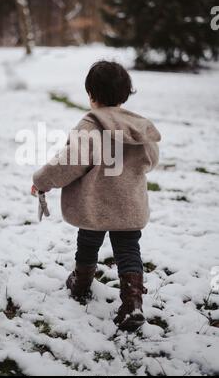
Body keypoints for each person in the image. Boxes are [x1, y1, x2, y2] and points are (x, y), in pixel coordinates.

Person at [31, 60, 161, 332]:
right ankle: (132, 302)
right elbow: (150, 160)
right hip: (128, 206)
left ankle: (80, 285)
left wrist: (42, 181)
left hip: (94, 206)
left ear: (91, 95)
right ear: (125, 95)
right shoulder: (138, 128)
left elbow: (68, 164)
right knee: (128, 250)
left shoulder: (89, 127)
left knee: (88, 243)